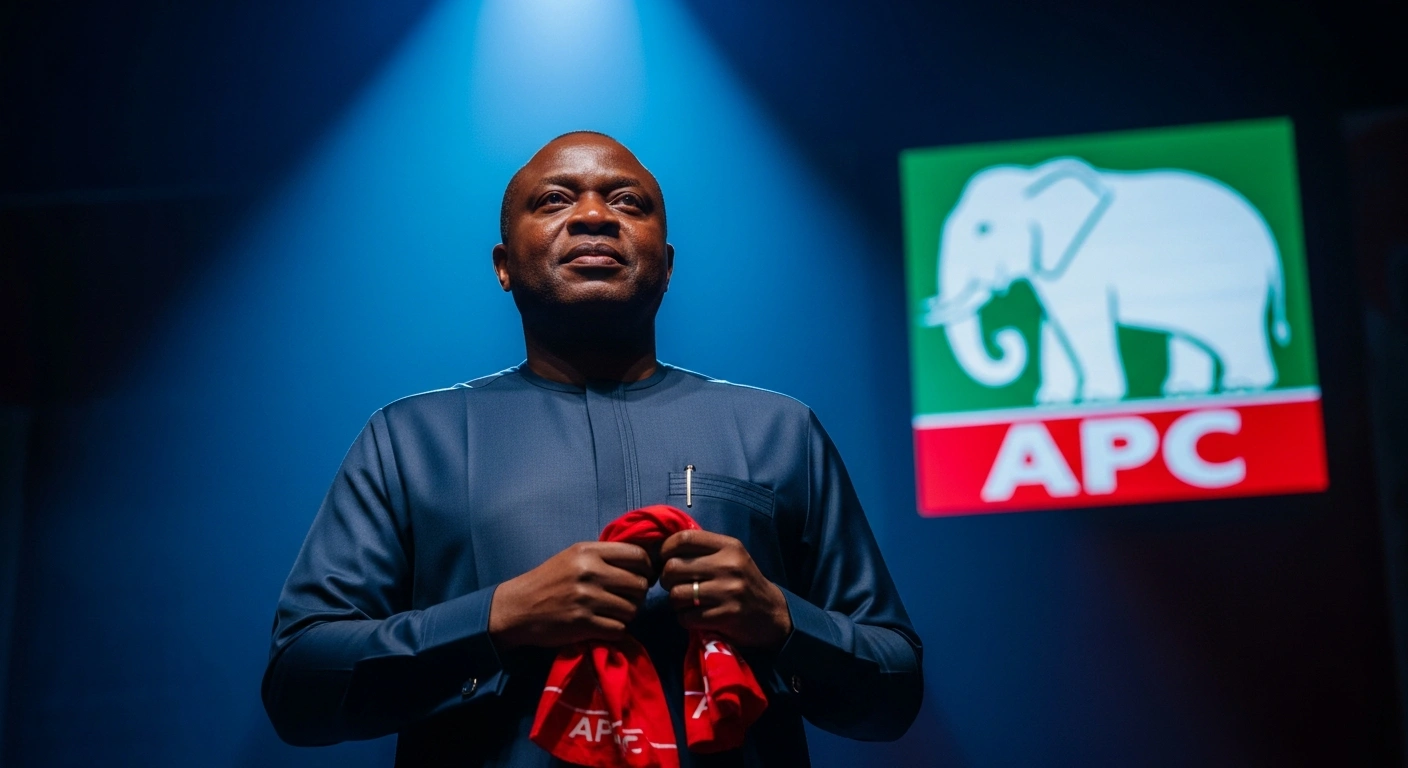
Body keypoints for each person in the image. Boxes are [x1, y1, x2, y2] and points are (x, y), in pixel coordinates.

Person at [262, 132, 923, 767]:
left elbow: (895, 693)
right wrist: (499, 616)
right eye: (554, 200)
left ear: (666, 267)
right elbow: (299, 684)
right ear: (502, 266)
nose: (593, 217)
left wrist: (778, 618)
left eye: (628, 202)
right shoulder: (408, 440)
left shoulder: (780, 429)